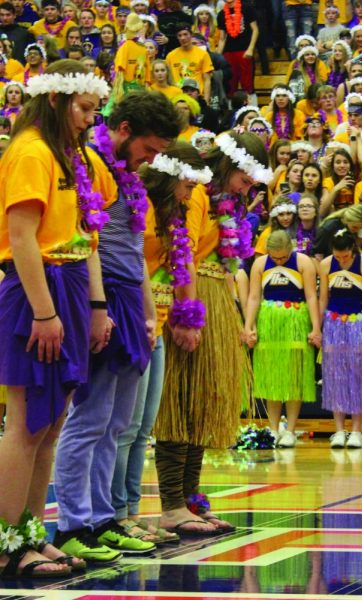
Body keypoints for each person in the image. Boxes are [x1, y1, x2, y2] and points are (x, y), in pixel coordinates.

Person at [53, 91, 180, 563]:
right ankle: (73, 524)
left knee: (117, 421)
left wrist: (148, 314)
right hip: (100, 299)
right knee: (89, 417)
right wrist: (97, 306)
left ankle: (104, 518)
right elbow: (89, 242)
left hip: (129, 301)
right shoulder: (89, 165)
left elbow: (133, 254)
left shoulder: (128, 177)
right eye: (149, 148)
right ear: (123, 130)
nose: (152, 159)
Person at [0, 60, 109, 579]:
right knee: (24, 425)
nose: (90, 119)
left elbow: (86, 233)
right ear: (57, 102)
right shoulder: (29, 152)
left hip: (63, 283)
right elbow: (21, 238)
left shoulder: (68, 158)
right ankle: (4, 542)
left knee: (50, 424)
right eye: (85, 109)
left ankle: (27, 531)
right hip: (34, 289)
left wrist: (90, 305)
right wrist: (44, 312)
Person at [153, 131, 271, 536]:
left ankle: (191, 499)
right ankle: (171, 503)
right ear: (228, 164)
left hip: (216, 294)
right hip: (192, 297)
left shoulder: (227, 203)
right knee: (181, 403)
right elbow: (180, 249)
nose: (251, 185)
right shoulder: (199, 194)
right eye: (247, 176)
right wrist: (185, 314)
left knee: (202, 404)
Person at [110, 143, 211, 548]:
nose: (192, 193)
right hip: (132, 315)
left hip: (155, 321)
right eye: (188, 184)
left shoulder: (173, 213)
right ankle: (115, 513)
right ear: (171, 179)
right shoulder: (142, 207)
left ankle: (132, 512)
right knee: (124, 425)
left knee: (141, 427)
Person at [242, 230, 322, 448]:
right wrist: (249, 326)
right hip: (269, 323)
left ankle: (291, 429)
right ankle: (274, 428)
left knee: (294, 376)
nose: (278, 261)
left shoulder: (303, 262)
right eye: (275, 258)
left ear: (291, 249)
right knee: (273, 376)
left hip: (296, 319)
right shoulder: (260, 264)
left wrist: (316, 327)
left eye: (283, 258)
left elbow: (311, 296)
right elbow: (254, 297)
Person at [319, 229, 362, 449]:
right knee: (336, 374)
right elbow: (323, 298)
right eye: (338, 256)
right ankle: (339, 430)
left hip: (358, 322)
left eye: (345, 256)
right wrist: (318, 328)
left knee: (358, 374)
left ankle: (356, 429)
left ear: (352, 250)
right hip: (334, 323)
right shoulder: (326, 265)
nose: (342, 260)